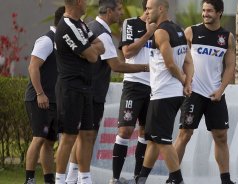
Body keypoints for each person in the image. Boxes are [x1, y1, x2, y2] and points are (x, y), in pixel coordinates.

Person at [64, 0, 151, 184]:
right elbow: (117, 65)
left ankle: (72, 178)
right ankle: (81, 178)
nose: (121, 13)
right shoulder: (102, 33)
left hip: (85, 89)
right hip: (93, 92)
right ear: (109, 12)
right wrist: (146, 67)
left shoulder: (89, 27)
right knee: (87, 137)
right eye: (118, 10)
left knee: (82, 137)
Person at [173, 0, 236, 184]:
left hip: (215, 95)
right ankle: (173, 177)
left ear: (219, 12)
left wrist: (221, 90)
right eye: (203, 10)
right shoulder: (191, 31)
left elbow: (230, 67)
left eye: (209, 11)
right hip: (193, 92)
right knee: (185, 134)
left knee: (221, 137)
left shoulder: (227, 37)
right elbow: (179, 58)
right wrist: (185, 81)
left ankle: (225, 180)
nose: (205, 14)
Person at [135, 0, 194, 184]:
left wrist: (185, 81)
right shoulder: (178, 30)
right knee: (153, 138)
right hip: (170, 93)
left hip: (164, 94)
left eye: (149, 8)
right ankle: (141, 179)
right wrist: (187, 82)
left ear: (161, 9)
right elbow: (189, 62)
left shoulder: (161, 32)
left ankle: (177, 180)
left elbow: (170, 64)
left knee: (163, 141)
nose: (146, 11)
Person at [54, 0, 105, 184]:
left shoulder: (81, 24)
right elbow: (92, 56)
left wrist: (91, 49)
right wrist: (91, 50)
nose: (87, 3)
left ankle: (84, 179)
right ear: (77, 2)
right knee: (68, 136)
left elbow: (101, 46)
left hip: (85, 87)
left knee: (87, 134)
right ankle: (60, 180)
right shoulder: (67, 25)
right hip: (70, 89)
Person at [109, 0, 158, 183]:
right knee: (125, 130)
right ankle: (114, 178)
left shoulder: (163, 29)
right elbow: (127, 53)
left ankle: (138, 179)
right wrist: (148, 34)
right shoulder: (130, 23)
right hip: (133, 84)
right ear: (146, 8)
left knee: (146, 133)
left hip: (155, 87)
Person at [24, 6, 65, 184]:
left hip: (54, 100)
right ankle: (30, 180)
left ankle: (49, 180)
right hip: (38, 98)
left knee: (49, 142)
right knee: (39, 138)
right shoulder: (47, 40)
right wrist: (40, 93)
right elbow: (33, 67)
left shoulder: (63, 42)